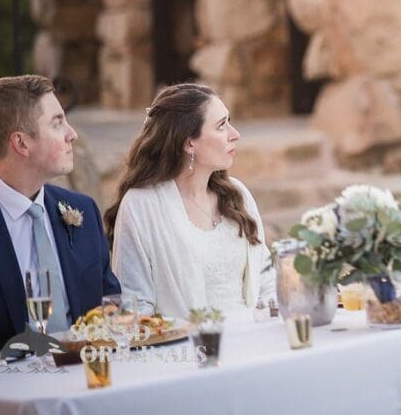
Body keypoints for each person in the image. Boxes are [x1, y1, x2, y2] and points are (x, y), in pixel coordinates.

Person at [0, 75, 120, 360]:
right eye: (57, 122)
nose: (71, 133)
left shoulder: (83, 210)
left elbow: (111, 309)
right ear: (21, 143)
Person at [105, 83, 275, 319]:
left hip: (254, 337)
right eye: (221, 125)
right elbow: (135, 303)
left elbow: (267, 278)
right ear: (188, 142)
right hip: (187, 347)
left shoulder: (238, 194)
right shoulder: (142, 205)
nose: (235, 134)